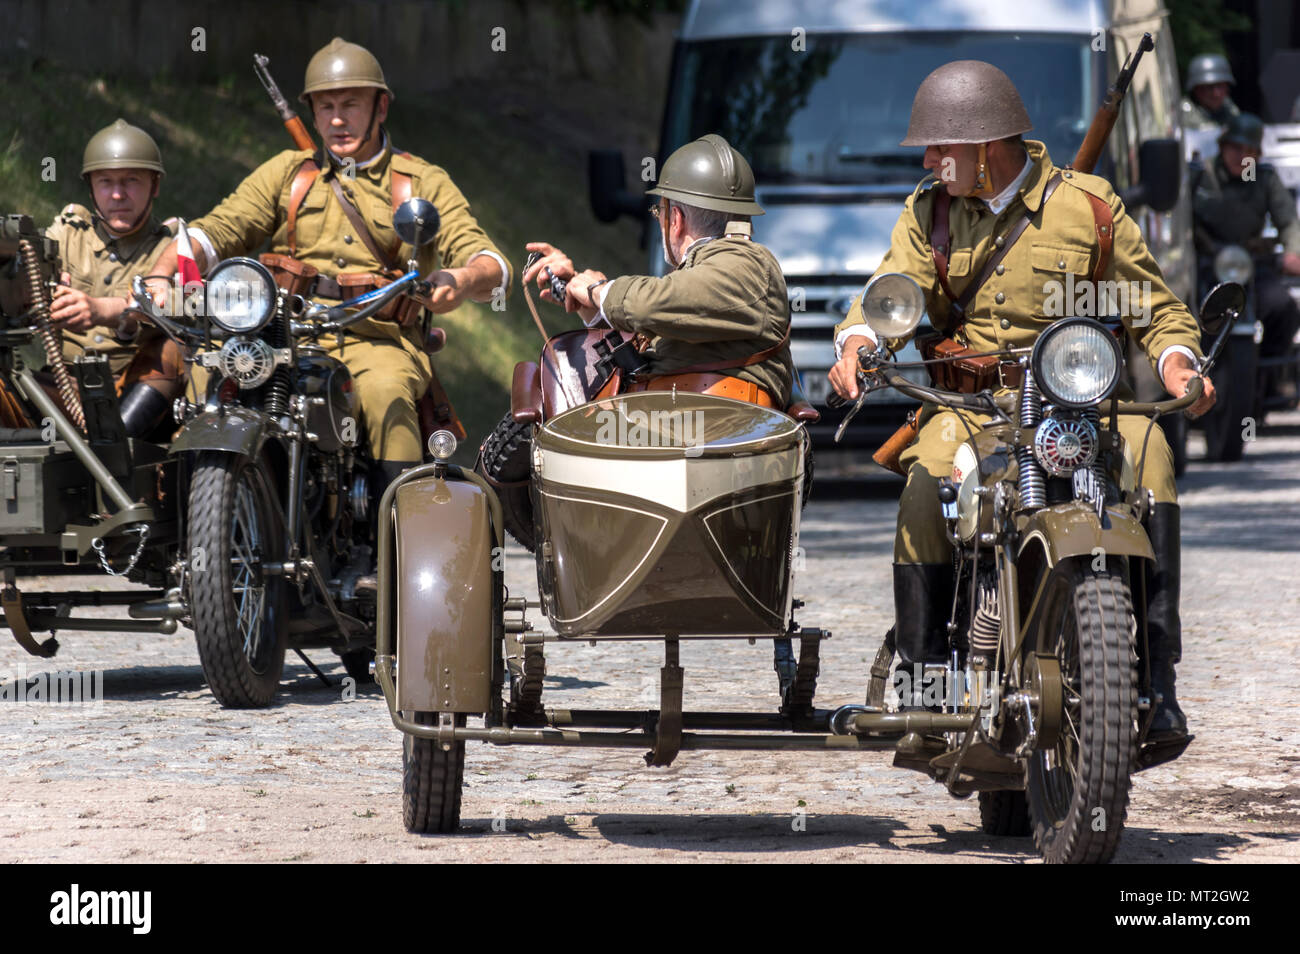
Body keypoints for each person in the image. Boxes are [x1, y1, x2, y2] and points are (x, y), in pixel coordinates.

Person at [827, 60, 1216, 747]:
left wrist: (1180, 367)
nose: (928, 160)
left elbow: (1155, 309)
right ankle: (926, 688)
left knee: (1153, 456)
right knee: (925, 485)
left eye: (940, 148)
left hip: (1082, 403)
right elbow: (890, 290)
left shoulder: (1089, 207)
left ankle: (1159, 684)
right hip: (971, 407)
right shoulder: (931, 213)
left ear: (986, 148)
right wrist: (857, 342)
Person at [150, 37, 510, 491]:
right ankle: (197, 523)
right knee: (206, 372)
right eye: (325, 107)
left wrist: (461, 278)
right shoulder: (288, 172)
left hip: (377, 338)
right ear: (312, 113)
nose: (337, 119)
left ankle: (392, 538)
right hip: (280, 333)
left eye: (351, 105)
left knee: (386, 393)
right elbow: (217, 230)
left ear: (381, 107)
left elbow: (490, 261)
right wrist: (163, 274)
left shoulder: (420, 181)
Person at [521, 133, 794, 410]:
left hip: (711, 437)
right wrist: (581, 293)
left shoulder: (745, 263)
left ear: (675, 219)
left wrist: (598, 290)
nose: (659, 219)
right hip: (686, 430)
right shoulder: (715, 275)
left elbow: (650, 303)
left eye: (658, 212)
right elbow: (661, 318)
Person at [45, 119, 185, 436]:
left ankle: (115, 444)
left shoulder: (171, 248)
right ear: (91, 188)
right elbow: (29, 265)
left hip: (135, 386)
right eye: (106, 182)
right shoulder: (67, 233)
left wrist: (101, 310)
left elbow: (178, 306)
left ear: (155, 185)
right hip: (59, 385)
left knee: (172, 351)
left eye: (131, 181)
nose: (118, 195)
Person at [1192, 112, 1300, 370]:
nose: (1242, 157)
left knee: (1283, 308)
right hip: (1208, 263)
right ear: (1223, 147)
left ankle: (1269, 375)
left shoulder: (1257, 177)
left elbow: (1286, 221)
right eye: (1236, 148)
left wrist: (1292, 251)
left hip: (1251, 263)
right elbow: (1186, 221)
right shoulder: (1203, 176)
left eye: (1250, 151)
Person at [1180, 53, 1241, 132]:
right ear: (1196, 89)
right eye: (1209, 87)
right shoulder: (1182, 115)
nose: (1216, 94)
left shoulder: (1230, 109)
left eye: (1220, 86)